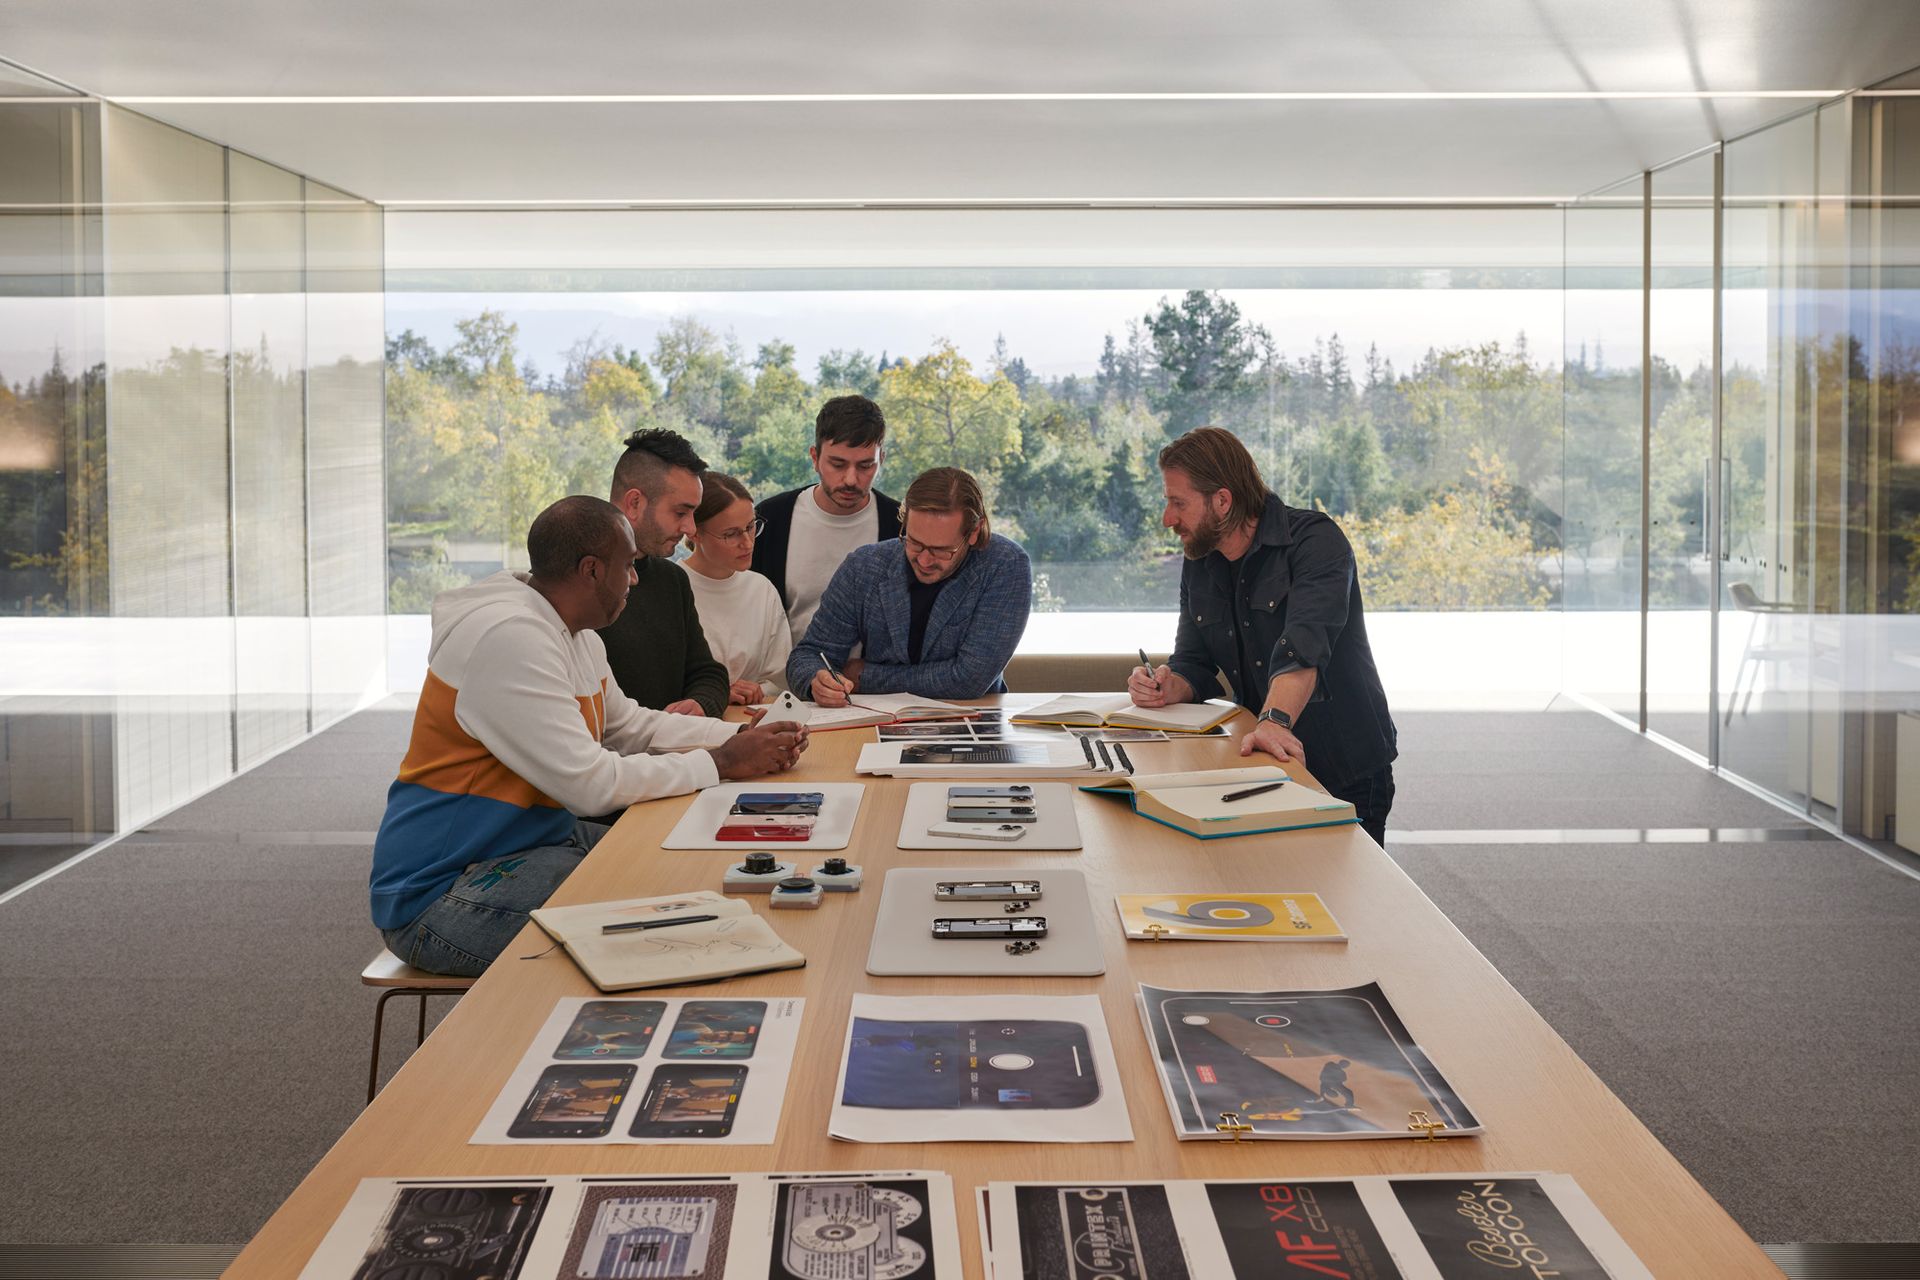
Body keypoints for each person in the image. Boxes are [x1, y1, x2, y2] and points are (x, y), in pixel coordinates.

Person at [369, 495, 808, 976]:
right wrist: (722, 763)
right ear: (593, 570)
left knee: (685, 875)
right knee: (675, 930)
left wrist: (739, 734)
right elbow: (591, 784)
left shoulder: (575, 635)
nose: (636, 581)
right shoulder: (510, 639)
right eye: (630, 567)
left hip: (529, 843)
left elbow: (630, 726)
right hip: (442, 892)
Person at [1127, 426, 1398, 846]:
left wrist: (1273, 721)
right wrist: (1167, 686)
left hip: (1345, 767)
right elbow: (1193, 663)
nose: (1168, 519)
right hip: (1264, 763)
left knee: (1348, 903)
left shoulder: (1316, 543)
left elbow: (1303, 650)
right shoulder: (1201, 560)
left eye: (1177, 503)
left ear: (1222, 500)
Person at [788, 467, 1031, 702]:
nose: (924, 560)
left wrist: (865, 676)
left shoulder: (1005, 564)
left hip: (975, 720)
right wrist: (815, 681)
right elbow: (808, 655)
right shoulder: (864, 566)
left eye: (941, 550)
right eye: (914, 542)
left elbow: (969, 679)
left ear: (974, 532)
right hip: (878, 719)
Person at [598, 428, 731, 716]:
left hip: (674, 753)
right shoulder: (576, 584)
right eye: (681, 513)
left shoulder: (672, 580)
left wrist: (699, 704)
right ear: (634, 503)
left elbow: (707, 673)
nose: (691, 530)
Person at [751, 394, 901, 641]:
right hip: (780, 677)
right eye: (838, 464)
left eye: (865, 466)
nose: (851, 479)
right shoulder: (769, 519)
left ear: (881, 460)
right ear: (814, 458)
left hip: (870, 679)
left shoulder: (901, 526)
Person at [678, 471, 793, 704]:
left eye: (751, 527)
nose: (748, 543)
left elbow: (782, 680)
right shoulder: (673, 588)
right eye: (731, 534)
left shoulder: (761, 590)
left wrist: (758, 690)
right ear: (695, 532)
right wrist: (713, 693)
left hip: (750, 721)